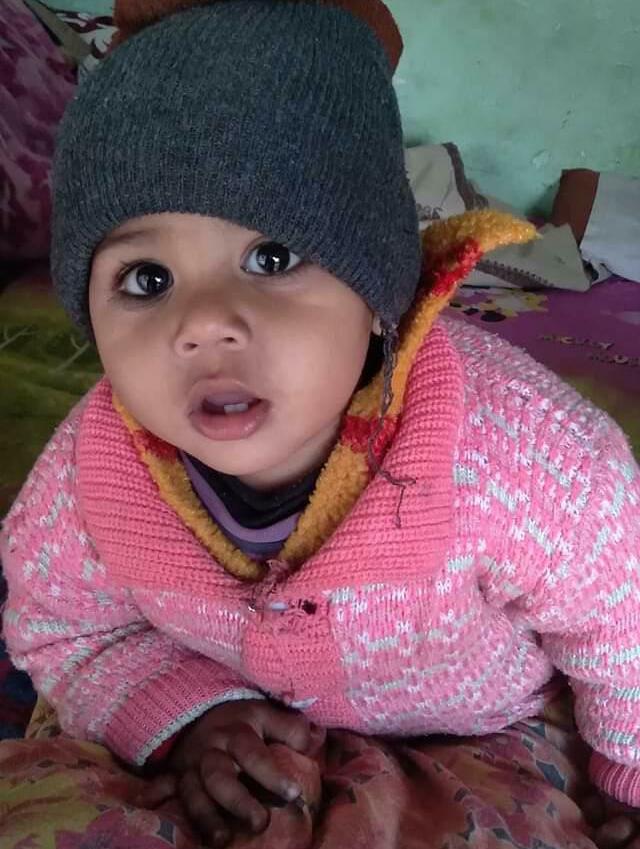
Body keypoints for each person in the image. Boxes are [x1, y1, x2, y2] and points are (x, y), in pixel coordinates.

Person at [1, 1, 639, 847]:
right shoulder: (89, 476)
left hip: (490, 722)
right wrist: (185, 713)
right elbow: (63, 627)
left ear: (379, 295)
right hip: (240, 723)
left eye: (271, 258)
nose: (203, 322)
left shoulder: (524, 455)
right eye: (146, 279)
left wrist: (629, 772)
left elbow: (624, 608)